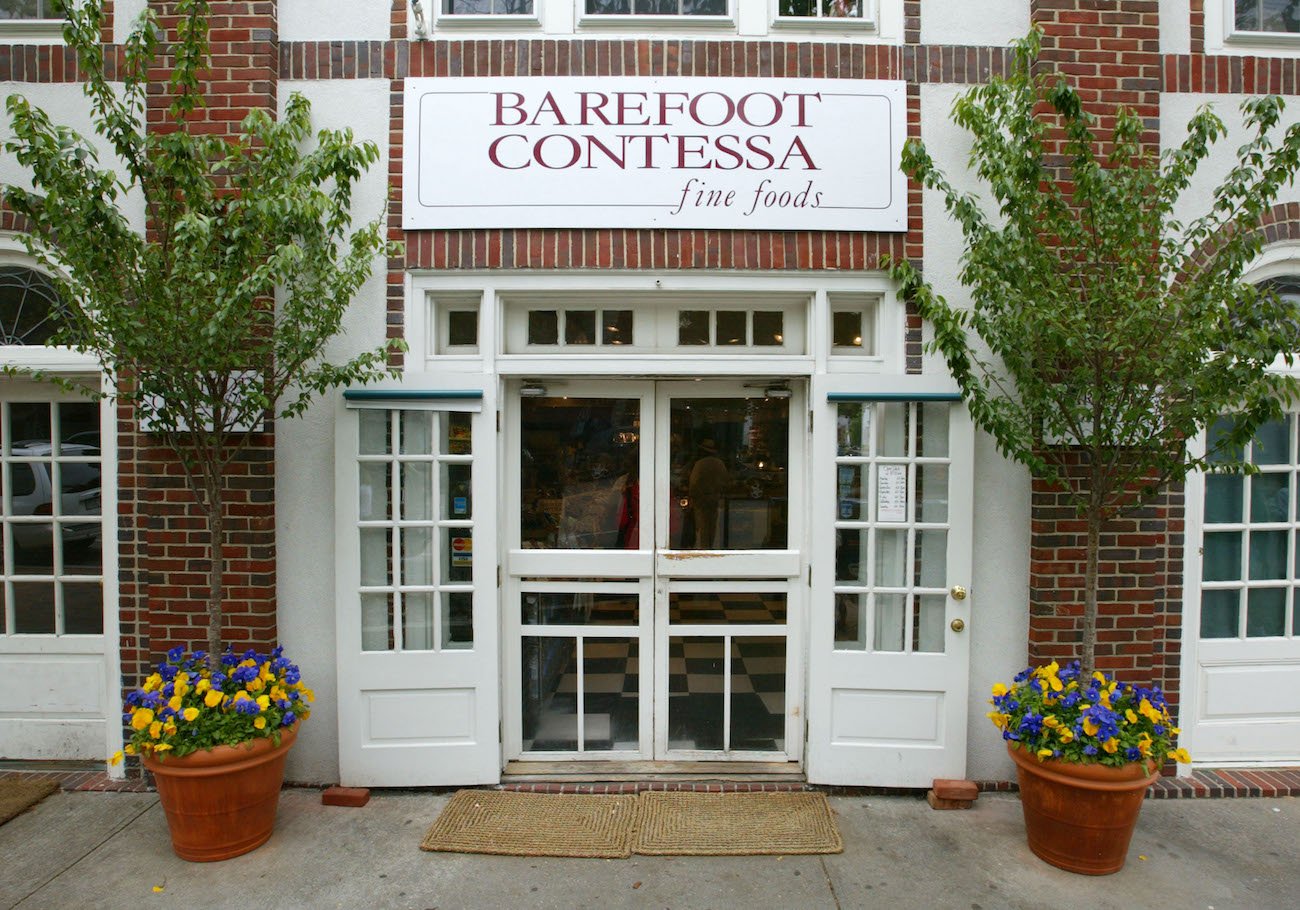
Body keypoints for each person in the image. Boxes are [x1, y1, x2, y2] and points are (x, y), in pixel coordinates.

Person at [688, 438, 729, 548]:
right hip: (715, 499)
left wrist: (691, 496)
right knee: (713, 526)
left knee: (702, 527)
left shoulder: (699, 464)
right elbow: (726, 481)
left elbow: (693, 483)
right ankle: (711, 547)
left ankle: (704, 549)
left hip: (701, 500)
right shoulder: (720, 464)